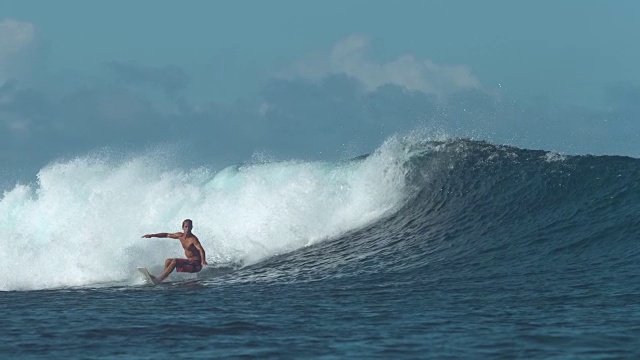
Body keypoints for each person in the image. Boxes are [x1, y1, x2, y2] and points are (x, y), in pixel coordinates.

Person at [141, 219, 208, 282]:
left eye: (189, 227)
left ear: (192, 228)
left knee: (175, 261)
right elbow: (166, 235)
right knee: (168, 261)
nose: (187, 229)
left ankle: (160, 278)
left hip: (196, 266)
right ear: (183, 227)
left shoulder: (193, 239)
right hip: (190, 263)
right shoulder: (180, 236)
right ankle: (164, 278)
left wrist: (203, 261)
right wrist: (152, 235)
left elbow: (201, 249)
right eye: (186, 227)